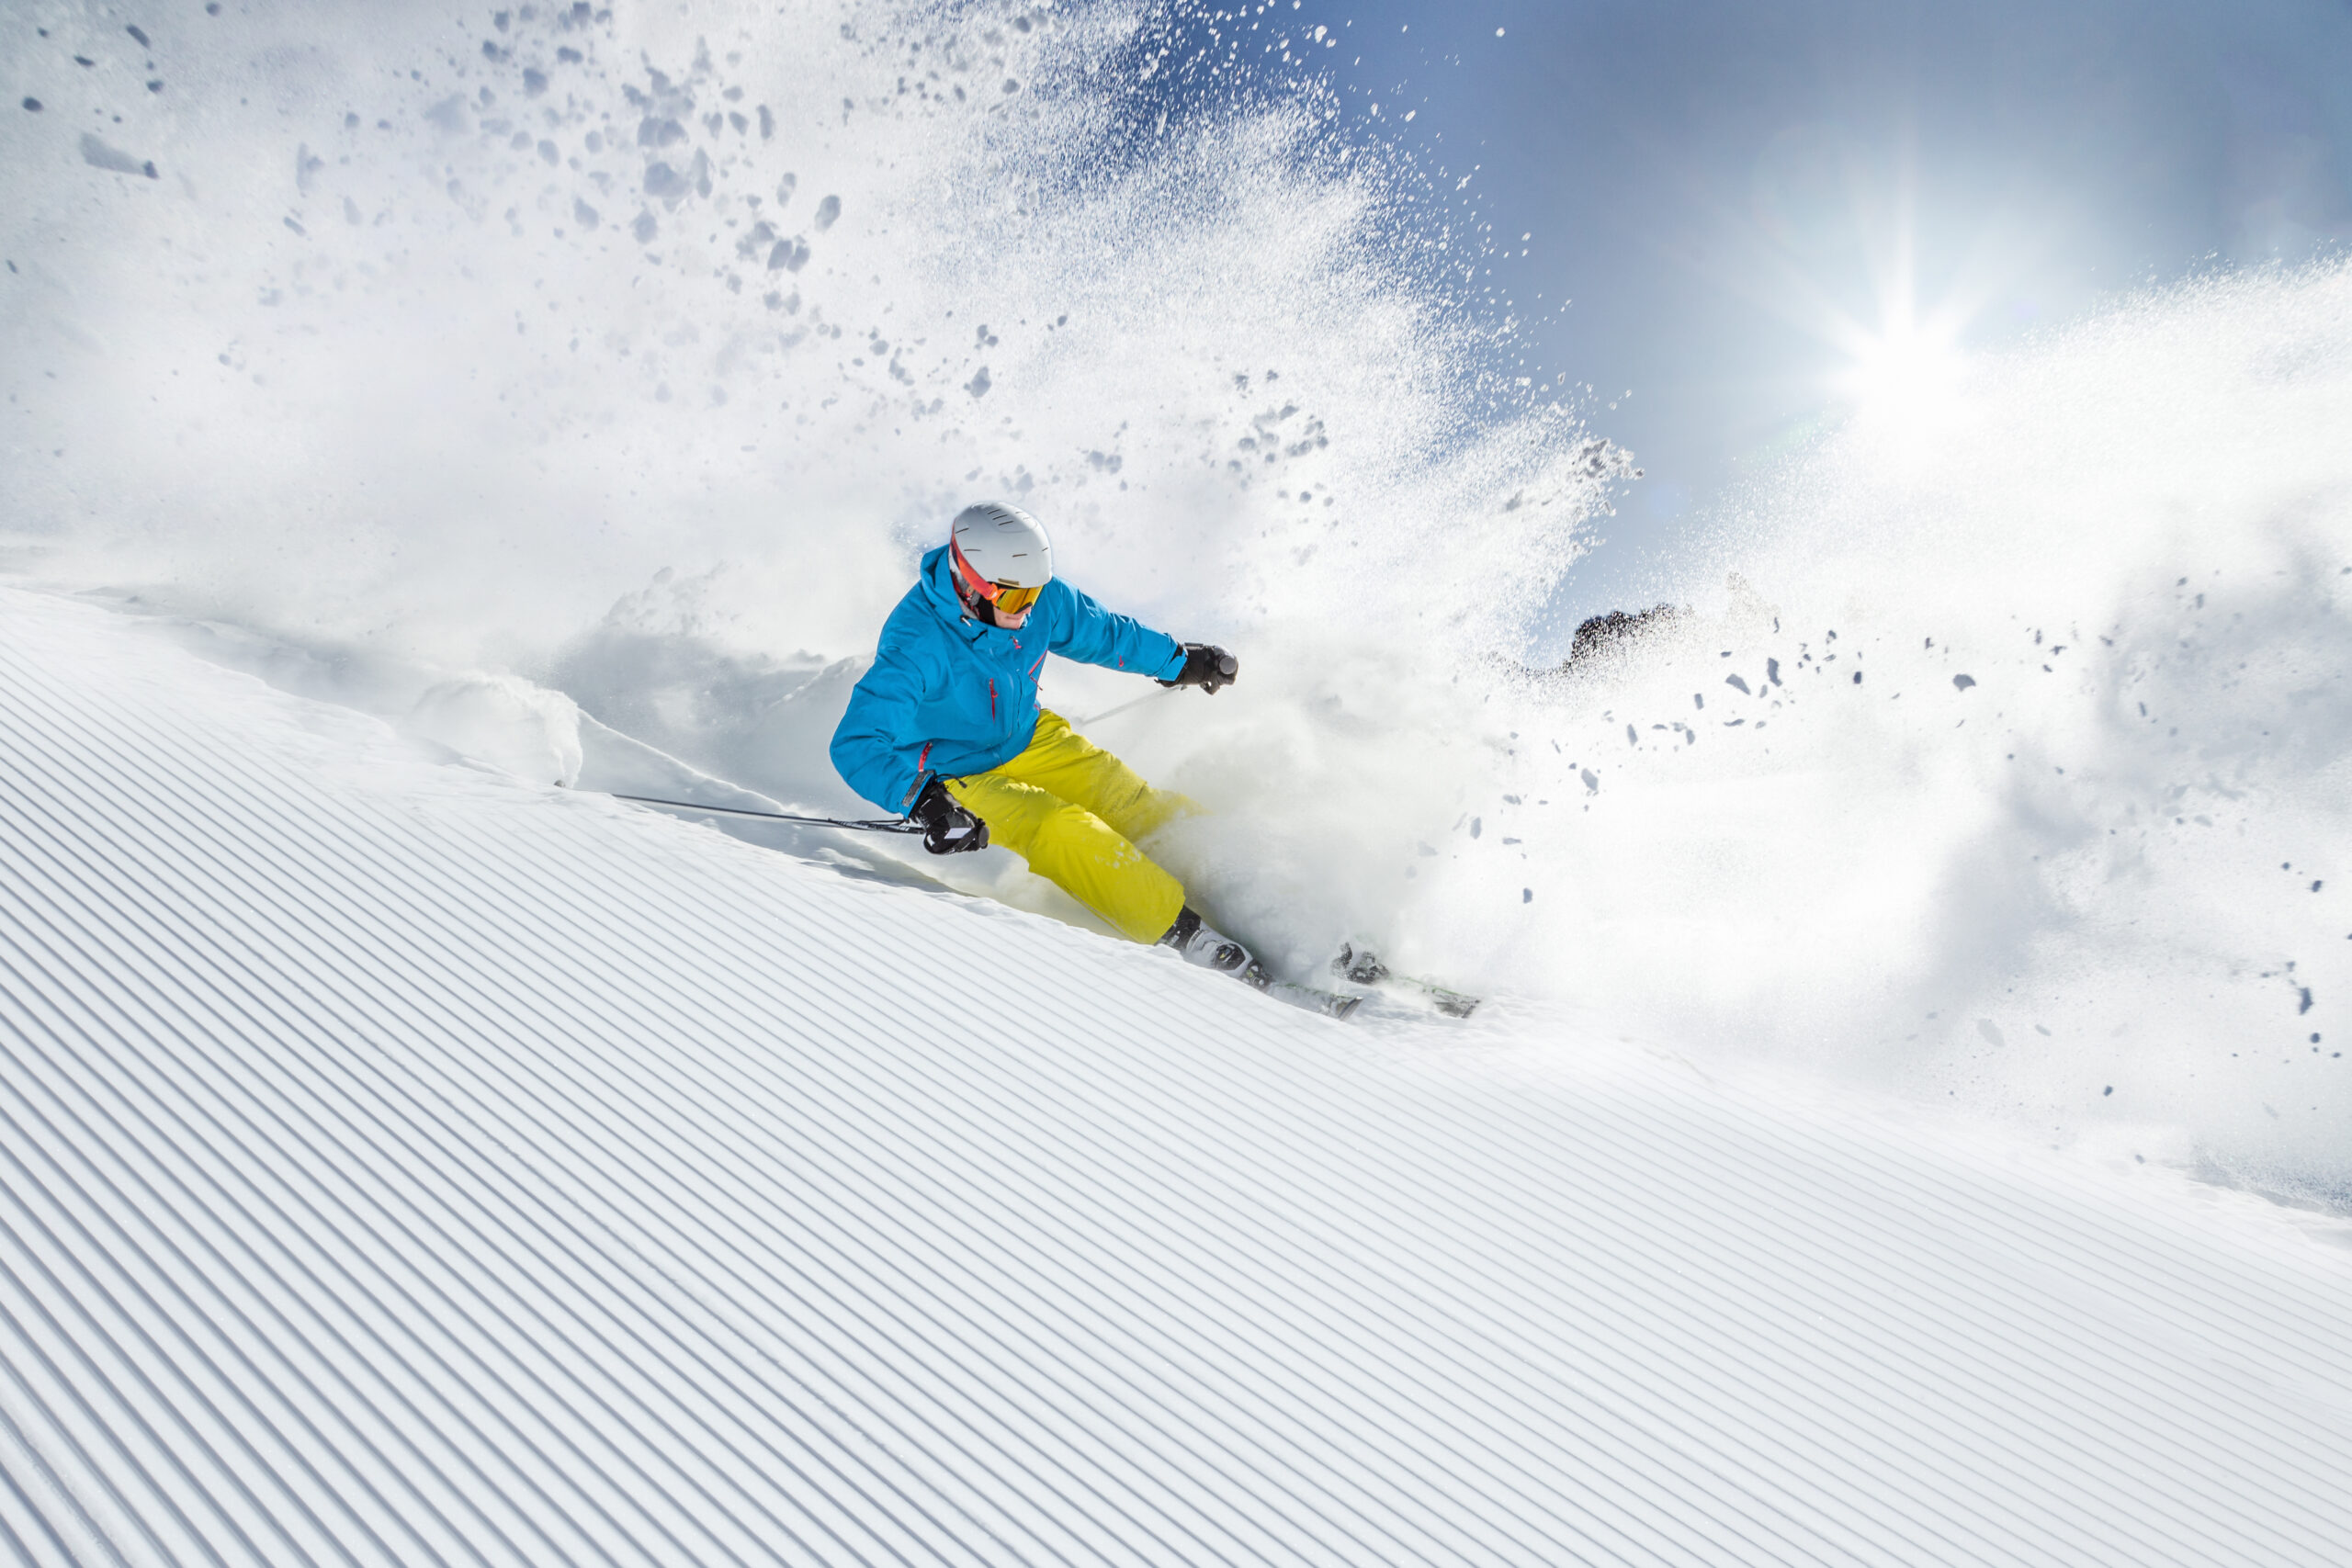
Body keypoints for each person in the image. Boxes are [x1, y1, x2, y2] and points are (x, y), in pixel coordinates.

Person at [830, 502, 1263, 985]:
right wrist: (924, 801)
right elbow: (855, 742)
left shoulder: (1034, 600)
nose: (1030, 610)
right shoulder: (917, 642)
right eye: (1017, 601)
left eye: (1035, 594)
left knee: (1126, 798)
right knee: (1059, 827)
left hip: (1028, 736)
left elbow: (1100, 631)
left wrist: (1177, 661)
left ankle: (1254, 893)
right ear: (972, 586)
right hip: (958, 770)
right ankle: (1184, 934)